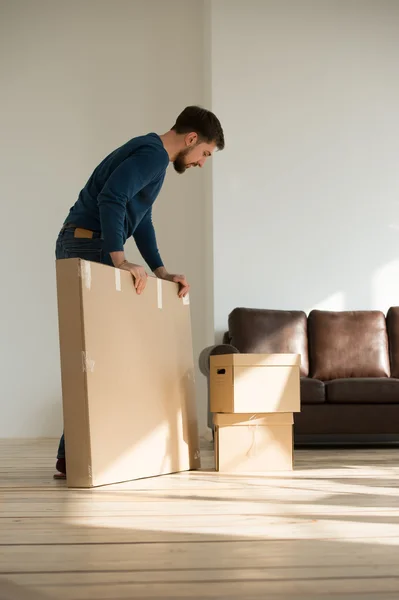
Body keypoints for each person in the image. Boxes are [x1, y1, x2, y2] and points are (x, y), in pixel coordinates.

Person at [54, 106, 225, 478]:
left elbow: (141, 217)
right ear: (192, 138)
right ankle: (81, 456)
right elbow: (111, 199)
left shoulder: (152, 156)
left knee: (98, 357)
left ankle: (73, 458)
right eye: (205, 154)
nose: (200, 163)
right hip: (90, 244)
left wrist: (159, 270)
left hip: (86, 242)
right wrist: (119, 260)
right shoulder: (152, 155)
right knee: (101, 357)